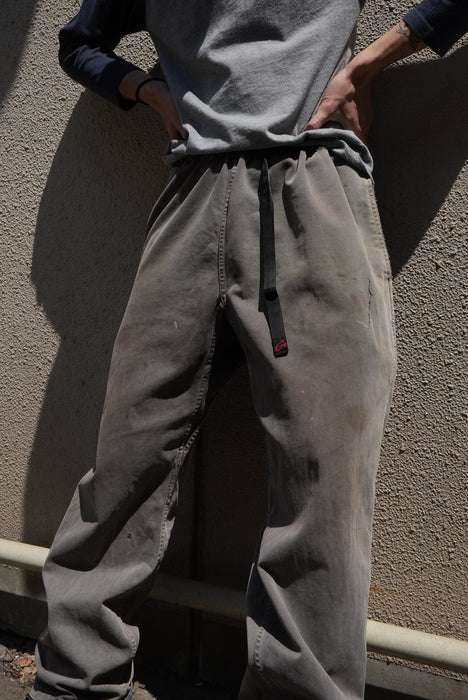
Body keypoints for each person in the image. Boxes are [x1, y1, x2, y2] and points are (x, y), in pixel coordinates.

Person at [28, 1, 467, 699]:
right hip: (193, 196)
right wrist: (150, 91)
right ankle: (72, 682)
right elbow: (80, 42)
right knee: (128, 458)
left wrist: (369, 63)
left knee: (322, 477)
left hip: (313, 189)